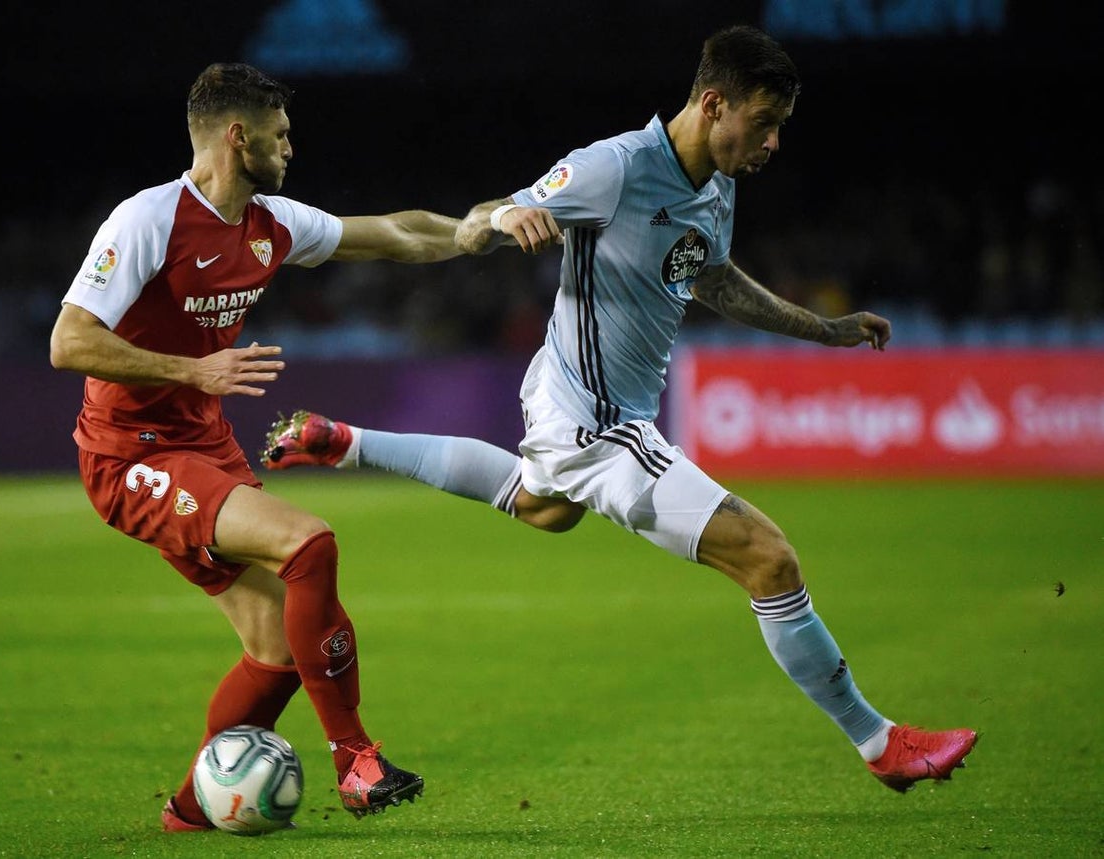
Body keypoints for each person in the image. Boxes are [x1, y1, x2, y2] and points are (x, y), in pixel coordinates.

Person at [263, 26, 981, 794]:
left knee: (543, 506)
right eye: (765, 121)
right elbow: (479, 218)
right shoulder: (614, 168)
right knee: (769, 558)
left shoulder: (716, 185)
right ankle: (880, 743)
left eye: (781, 126)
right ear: (714, 104)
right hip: (597, 421)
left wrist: (823, 329)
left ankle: (344, 441)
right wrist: (505, 218)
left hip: (581, 402)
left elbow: (713, 279)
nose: (774, 141)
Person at [49, 62, 464, 832]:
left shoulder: (271, 221)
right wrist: (191, 368)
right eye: (279, 135)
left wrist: (483, 227)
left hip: (203, 446)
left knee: (276, 646)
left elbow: (391, 234)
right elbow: (69, 341)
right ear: (237, 138)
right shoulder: (148, 220)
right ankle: (356, 760)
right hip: (129, 455)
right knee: (309, 544)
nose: (290, 147)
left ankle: (189, 813)